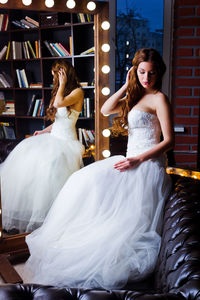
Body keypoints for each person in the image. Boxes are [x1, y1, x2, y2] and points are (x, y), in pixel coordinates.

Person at [24, 48, 174, 289]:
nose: (147, 78)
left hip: (147, 166)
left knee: (122, 225)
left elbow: (169, 141)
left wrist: (139, 160)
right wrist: (127, 85)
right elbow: (106, 109)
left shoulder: (159, 98)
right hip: (129, 161)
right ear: (135, 72)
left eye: (152, 73)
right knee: (82, 181)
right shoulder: (135, 96)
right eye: (142, 72)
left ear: (159, 74)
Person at [1, 60, 85, 233]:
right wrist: (44, 131)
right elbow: (59, 121)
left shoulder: (77, 92)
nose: (53, 77)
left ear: (64, 74)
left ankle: (59, 220)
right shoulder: (63, 92)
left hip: (67, 143)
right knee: (38, 174)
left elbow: (58, 104)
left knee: (56, 179)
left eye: (56, 74)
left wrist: (61, 85)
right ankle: (42, 220)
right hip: (54, 137)